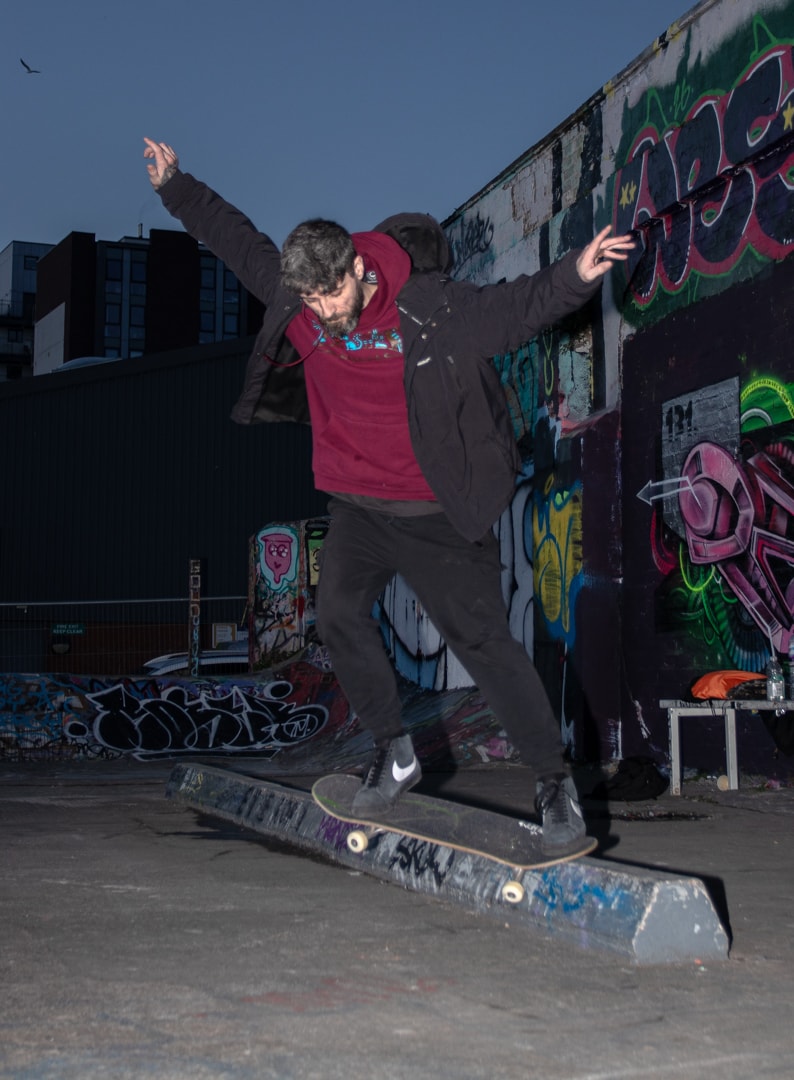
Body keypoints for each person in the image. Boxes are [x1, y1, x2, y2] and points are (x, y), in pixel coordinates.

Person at [143, 137, 634, 854]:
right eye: (310, 299)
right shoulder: (300, 302)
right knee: (338, 613)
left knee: (485, 643)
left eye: (331, 295)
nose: (322, 312)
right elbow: (237, 240)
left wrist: (575, 275)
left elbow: (511, 311)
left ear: (357, 269)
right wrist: (175, 186)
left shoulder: (430, 307)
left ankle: (554, 785)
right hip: (359, 507)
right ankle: (394, 751)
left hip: (437, 511)